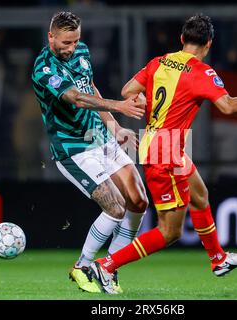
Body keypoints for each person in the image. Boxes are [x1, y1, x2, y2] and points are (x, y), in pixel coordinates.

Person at [88, 14, 237, 294]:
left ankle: (218, 259)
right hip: (165, 153)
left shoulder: (158, 62)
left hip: (162, 145)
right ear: (208, 44)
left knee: (200, 196)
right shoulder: (201, 72)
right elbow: (229, 106)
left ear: (182, 39)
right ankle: (106, 265)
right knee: (169, 231)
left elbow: (127, 91)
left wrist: (148, 101)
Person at [31, 11, 149, 293]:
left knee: (139, 200)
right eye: (65, 42)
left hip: (99, 136)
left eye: (75, 41)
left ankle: (109, 269)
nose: (71, 48)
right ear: (51, 36)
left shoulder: (81, 51)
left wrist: (114, 125)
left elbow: (89, 86)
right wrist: (118, 106)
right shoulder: (43, 69)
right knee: (116, 206)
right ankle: (82, 266)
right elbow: (77, 98)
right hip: (73, 148)